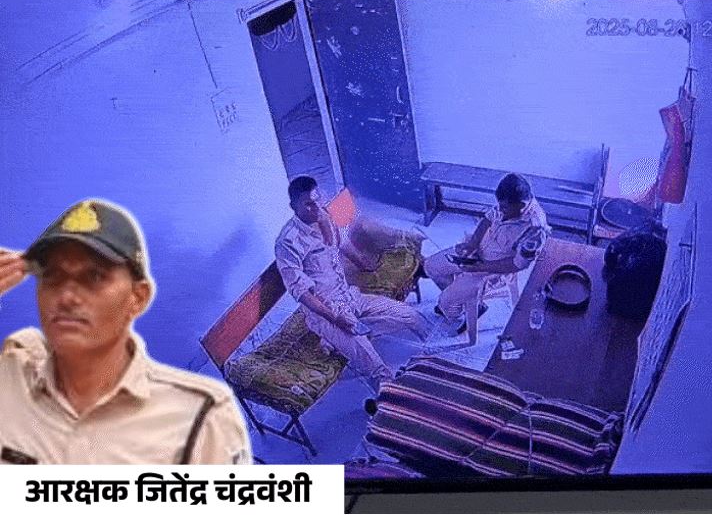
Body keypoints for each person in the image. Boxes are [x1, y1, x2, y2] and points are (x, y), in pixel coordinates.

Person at [0, 199, 251, 464]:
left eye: (94, 277)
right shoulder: (11, 382)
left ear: (138, 297)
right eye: (52, 276)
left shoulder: (200, 420)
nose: (67, 297)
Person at [275, 177, 429, 392]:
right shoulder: (288, 242)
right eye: (308, 204)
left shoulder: (325, 216)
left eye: (318, 200)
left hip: (350, 296)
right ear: (293, 206)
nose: (316, 207)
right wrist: (335, 319)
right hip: (326, 311)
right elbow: (301, 293)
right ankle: (390, 399)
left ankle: (340, 341)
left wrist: (367, 265)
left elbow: (343, 244)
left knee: (411, 316)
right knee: (378, 368)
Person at [423, 173, 551, 346]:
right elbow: (487, 219)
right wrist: (472, 244)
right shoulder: (507, 203)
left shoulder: (535, 230)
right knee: (431, 266)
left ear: (521, 205)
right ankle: (468, 304)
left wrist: (480, 267)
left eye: (505, 208)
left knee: (445, 302)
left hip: (493, 270)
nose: (501, 210)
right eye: (500, 206)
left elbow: (516, 265)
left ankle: (459, 313)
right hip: (476, 254)